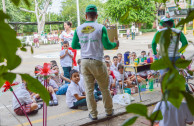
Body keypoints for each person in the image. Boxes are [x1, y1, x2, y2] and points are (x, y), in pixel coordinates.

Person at [71, 4, 119, 120]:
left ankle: (93, 114)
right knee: (104, 88)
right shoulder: (100, 27)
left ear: (85, 15)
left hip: (85, 63)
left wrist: (84, 45)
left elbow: (73, 45)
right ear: (96, 15)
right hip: (98, 61)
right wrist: (115, 44)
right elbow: (107, 45)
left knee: (89, 90)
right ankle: (108, 111)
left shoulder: (78, 28)